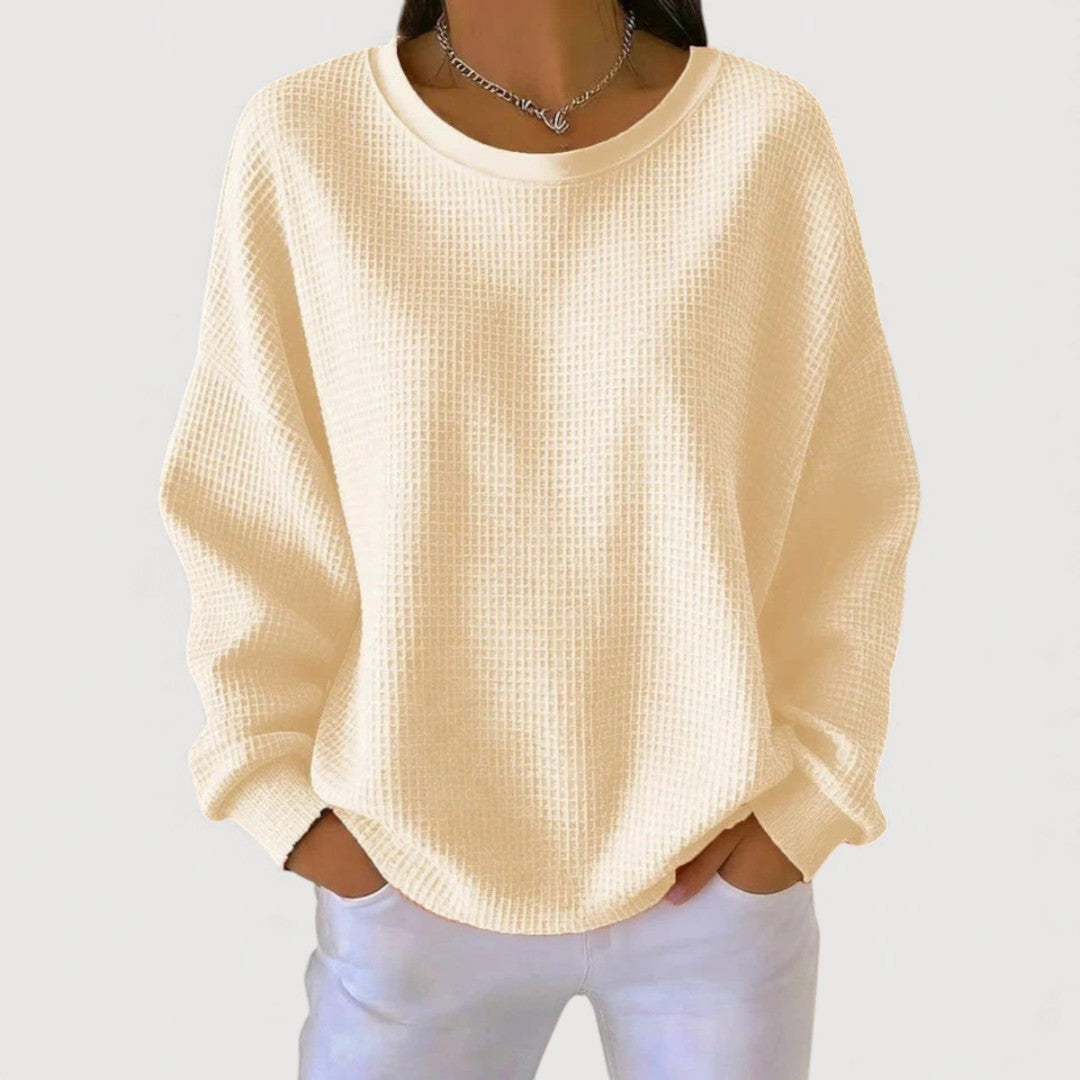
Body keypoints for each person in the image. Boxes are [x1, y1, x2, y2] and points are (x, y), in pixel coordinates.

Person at [158, 1, 921, 1076]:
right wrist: (286, 804)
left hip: (713, 891)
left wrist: (801, 812)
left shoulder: (761, 135)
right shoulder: (309, 138)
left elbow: (849, 498)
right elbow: (250, 503)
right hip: (406, 881)